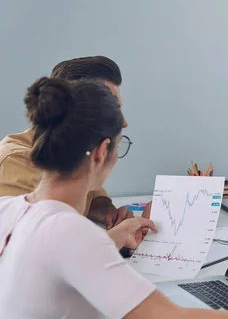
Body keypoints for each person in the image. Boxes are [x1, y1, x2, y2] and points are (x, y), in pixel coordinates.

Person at [0, 77, 228, 319]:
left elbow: (57, 259)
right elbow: (170, 318)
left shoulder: (12, 211)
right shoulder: (71, 233)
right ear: (101, 151)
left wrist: (110, 240)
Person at [0, 56, 134, 229]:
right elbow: (40, 243)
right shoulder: (15, 162)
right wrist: (116, 238)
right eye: (111, 107)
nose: (123, 122)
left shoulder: (76, 150)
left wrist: (108, 212)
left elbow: (91, 195)